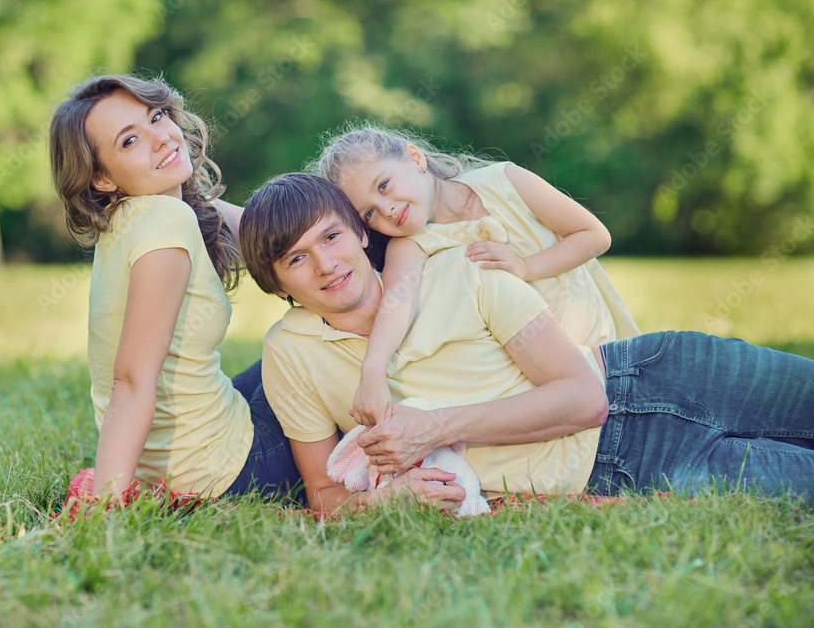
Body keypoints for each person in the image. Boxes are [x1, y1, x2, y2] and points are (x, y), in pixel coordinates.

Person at [238, 172, 814, 513]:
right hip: (622, 466)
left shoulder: (458, 268)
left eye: (333, 236)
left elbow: (585, 398)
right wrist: (391, 498)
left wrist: (435, 429)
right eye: (296, 257)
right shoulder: (292, 352)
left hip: (654, 373)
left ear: (362, 234)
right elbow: (322, 493)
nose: (326, 263)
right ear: (276, 281)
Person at [48, 74, 302, 504]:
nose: (162, 138)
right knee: (324, 344)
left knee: (287, 355)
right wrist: (105, 507)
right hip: (227, 473)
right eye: (130, 141)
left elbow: (282, 234)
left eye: (157, 117)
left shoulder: (136, 213)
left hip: (178, 459)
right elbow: (131, 380)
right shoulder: (168, 221)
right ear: (102, 178)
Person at [315, 126, 639, 426]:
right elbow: (396, 305)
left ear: (415, 159)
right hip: (535, 374)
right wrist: (372, 372)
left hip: (595, 337)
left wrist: (526, 267)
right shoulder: (409, 245)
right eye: (368, 213)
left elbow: (594, 235)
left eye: (384, 186)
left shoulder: (506, 182)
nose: (385, 209)